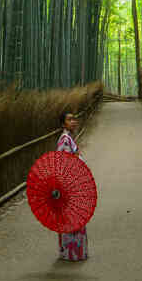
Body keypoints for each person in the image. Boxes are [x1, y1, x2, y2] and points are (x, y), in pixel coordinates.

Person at [55, 111, 88, 262]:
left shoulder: (68, 138)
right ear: (63, 124)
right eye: (69, 119)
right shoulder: (64, 139)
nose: (73, 121)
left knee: (74, 219)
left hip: (73, 183)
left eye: (74, 119)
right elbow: (65, 163)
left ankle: (74, 252)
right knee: (72, 219)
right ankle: (72, 253)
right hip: (69, 185)